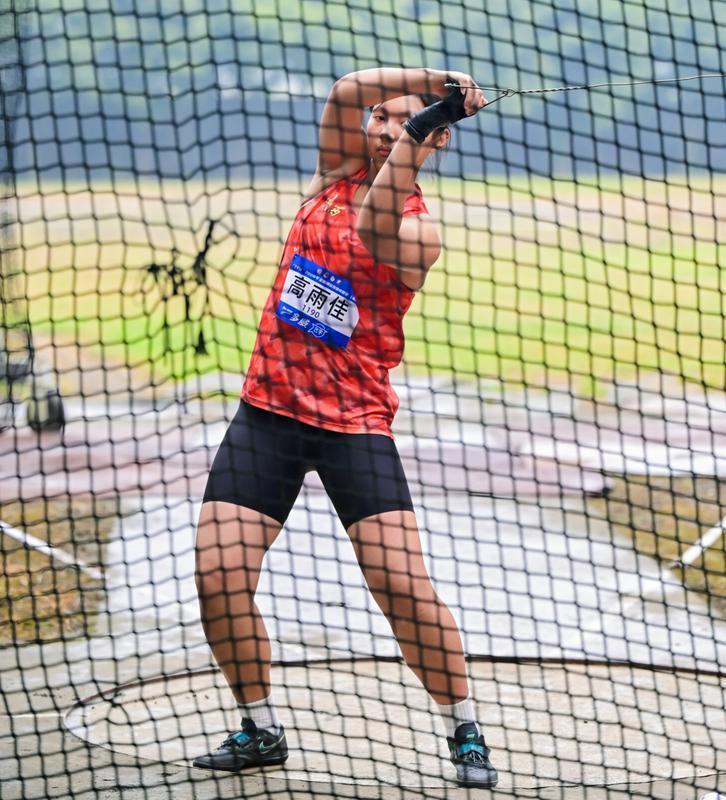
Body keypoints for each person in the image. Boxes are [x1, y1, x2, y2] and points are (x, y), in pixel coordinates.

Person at [193, 67, 496, 788]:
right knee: (217, 575)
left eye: (406, 121)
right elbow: (345, 87)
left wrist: (419, 127)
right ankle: (260, 728)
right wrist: (433, 82)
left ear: (438, 138)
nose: (385, 125)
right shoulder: (334, 169)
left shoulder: (419, 230)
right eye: (381, 119)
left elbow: (373, 225)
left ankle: (464, 726)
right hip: (267, 413)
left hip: (353, 423)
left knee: (399, 584)